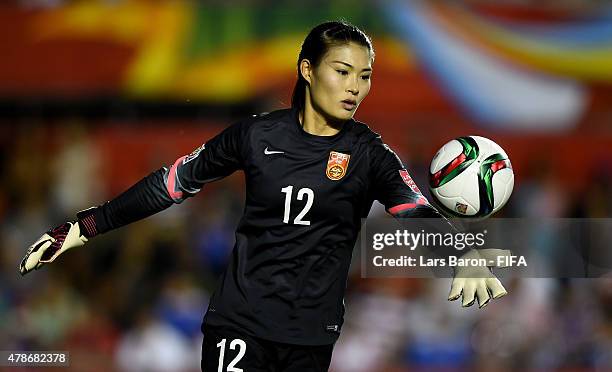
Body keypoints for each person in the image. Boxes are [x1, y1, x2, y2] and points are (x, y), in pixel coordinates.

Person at [20, 21, 509, 372]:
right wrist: (87, 225)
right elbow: (169, 185)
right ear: (307, 70)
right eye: (342, 71)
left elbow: (415, 210)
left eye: (364, 76)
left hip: (311, 339)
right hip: (240, 325)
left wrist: (461, 251)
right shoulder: (254, 136)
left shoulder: (369, 153)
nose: (355, 87)